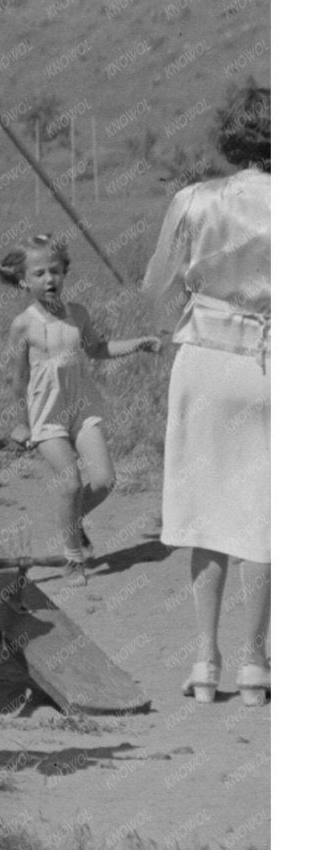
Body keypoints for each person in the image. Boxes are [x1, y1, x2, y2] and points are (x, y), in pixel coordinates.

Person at [142, 82, 270, 703]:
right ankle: (255, 661)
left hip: (205, 356)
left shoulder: (195, 199)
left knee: (207, 511)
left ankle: (203, 659)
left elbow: (154, 285)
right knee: (268, 512)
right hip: (273, 359)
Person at [0, 235, 159, 566]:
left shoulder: (78, 314)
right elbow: (18, 378)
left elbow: (98, 349)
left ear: (65, 272)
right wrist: (19, 423)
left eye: (55, 271)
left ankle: (71, 522)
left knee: (104, 481)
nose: (49, 279)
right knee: (70, 483)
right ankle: (73, 557)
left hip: (82, 408)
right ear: (24, 280)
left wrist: (137, 343)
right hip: (47, 414)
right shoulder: (23, 324)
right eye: (39, 273)